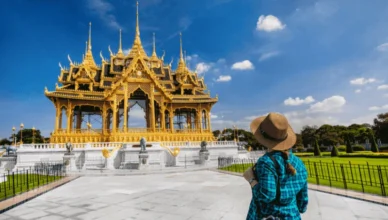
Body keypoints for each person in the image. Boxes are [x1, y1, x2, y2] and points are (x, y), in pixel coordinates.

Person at [243, 112, 308, 220]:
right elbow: (302, 205)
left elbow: (267, 195)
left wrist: (251, 179)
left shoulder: (266, 162)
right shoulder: (299, 163)